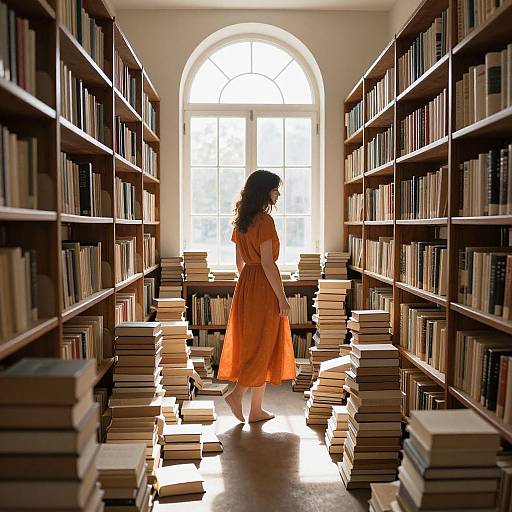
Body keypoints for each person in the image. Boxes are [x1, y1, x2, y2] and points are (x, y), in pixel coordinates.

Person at [218, 170, 296, 423]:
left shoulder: (242, 220)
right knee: (263, 346)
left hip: (247, 285)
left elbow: (239, 262)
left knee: (259, 345)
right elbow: (267, 263)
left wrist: (247, 285)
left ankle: (256, 410)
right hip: (263, 287)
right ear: (265, 191)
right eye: (275, 189)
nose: (278, 193)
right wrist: (281, 298)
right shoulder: (264, 222)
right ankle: (237, 394)